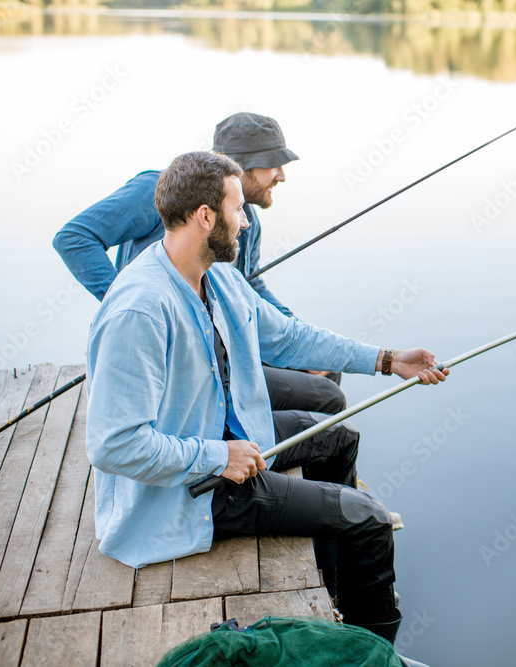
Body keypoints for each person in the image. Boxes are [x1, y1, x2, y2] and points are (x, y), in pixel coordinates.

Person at [85, 151, 448, 643]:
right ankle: (371, 649)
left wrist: (387, 359)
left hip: (232, 439)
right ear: (205, 216)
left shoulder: (219, 278)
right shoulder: (141, 311)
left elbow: (289, 338)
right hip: (195, 492)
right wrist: (218, 456)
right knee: (369, 518)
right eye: (238, 209)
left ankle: (333, 587)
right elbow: (113, 445)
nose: (245, 221)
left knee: (338, 439)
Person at [54, 112, 344, 415]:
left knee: (326, 367)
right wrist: (129, 305)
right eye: (273, 163)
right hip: (180, 354)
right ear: (239, 164)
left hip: (222, 340)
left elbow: (250, 283)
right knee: (325, 397)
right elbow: (75, 238)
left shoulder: (247, 219)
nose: (281, 175)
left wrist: (294, 332)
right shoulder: (162, 190)